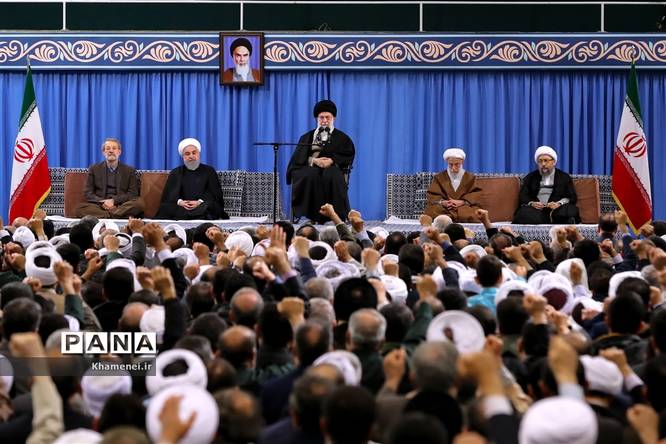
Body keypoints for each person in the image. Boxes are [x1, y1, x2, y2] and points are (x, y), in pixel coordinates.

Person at [287, 100, 355, 224]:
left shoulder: (343, 138)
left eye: (327, 117)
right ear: (317, 118)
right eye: (321, 117)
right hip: (310, 167)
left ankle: (335, 216)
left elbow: (348, 155)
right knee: (310, 175)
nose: (324, 120)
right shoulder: (306, 137)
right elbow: (297, 158)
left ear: (334, 118)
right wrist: (314, 160)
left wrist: (332, 160)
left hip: (332, 167)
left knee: (331, 175)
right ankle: (311, 216)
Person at [155, 138, 229, 220]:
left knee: (212, 207)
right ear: (183, 157)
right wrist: (180, 202)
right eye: (187, 154)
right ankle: (197, 215)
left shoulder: (209, 171)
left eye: (194, 153)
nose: (191, 156)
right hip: (182, 207)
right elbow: (169, 195)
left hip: (202, 205)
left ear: (198, 154)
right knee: (166, 208)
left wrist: (199, 202)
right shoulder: (176, 172)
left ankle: (190, 215)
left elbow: (214, 194)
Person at [75, 138, 145, 218]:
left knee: (140, 203)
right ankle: (116, 215)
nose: (111, 151)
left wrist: (114, 201)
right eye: (108, 148)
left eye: (114, 148)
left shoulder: (129, 170)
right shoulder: (94, 169)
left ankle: (109, 215)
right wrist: (103, 202)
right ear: (103, 152)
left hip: (121, 204)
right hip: (100, 205)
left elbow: (133, 193)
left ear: (119, 152)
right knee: (79, 209)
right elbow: (88, 193)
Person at [513, 145, 580, 224]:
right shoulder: (530, 177)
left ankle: (557, 219)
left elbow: (572, 197)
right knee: (523, 212)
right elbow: (523, 195)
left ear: (554, 162)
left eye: (546, 160)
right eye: (540, 161)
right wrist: (532, 203)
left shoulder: (564, 177)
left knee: (571, 210)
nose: (543, 164)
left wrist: (559, 203)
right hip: (536, 211)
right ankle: (556, 221)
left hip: (557, 210)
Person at [424, 148, 482, 222]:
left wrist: (462, 202)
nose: (453, 168)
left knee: (474, 213)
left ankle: (449, 217)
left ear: (462, 162)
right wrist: (443, 202)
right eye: (450, 165)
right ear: (447, 163)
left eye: (457, 164)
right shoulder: (439, 177)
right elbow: (432, 194)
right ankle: (454, 217)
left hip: (463, 207)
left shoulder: (471, 177)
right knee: (431, 211)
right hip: (445, 208)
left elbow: (476, 194)